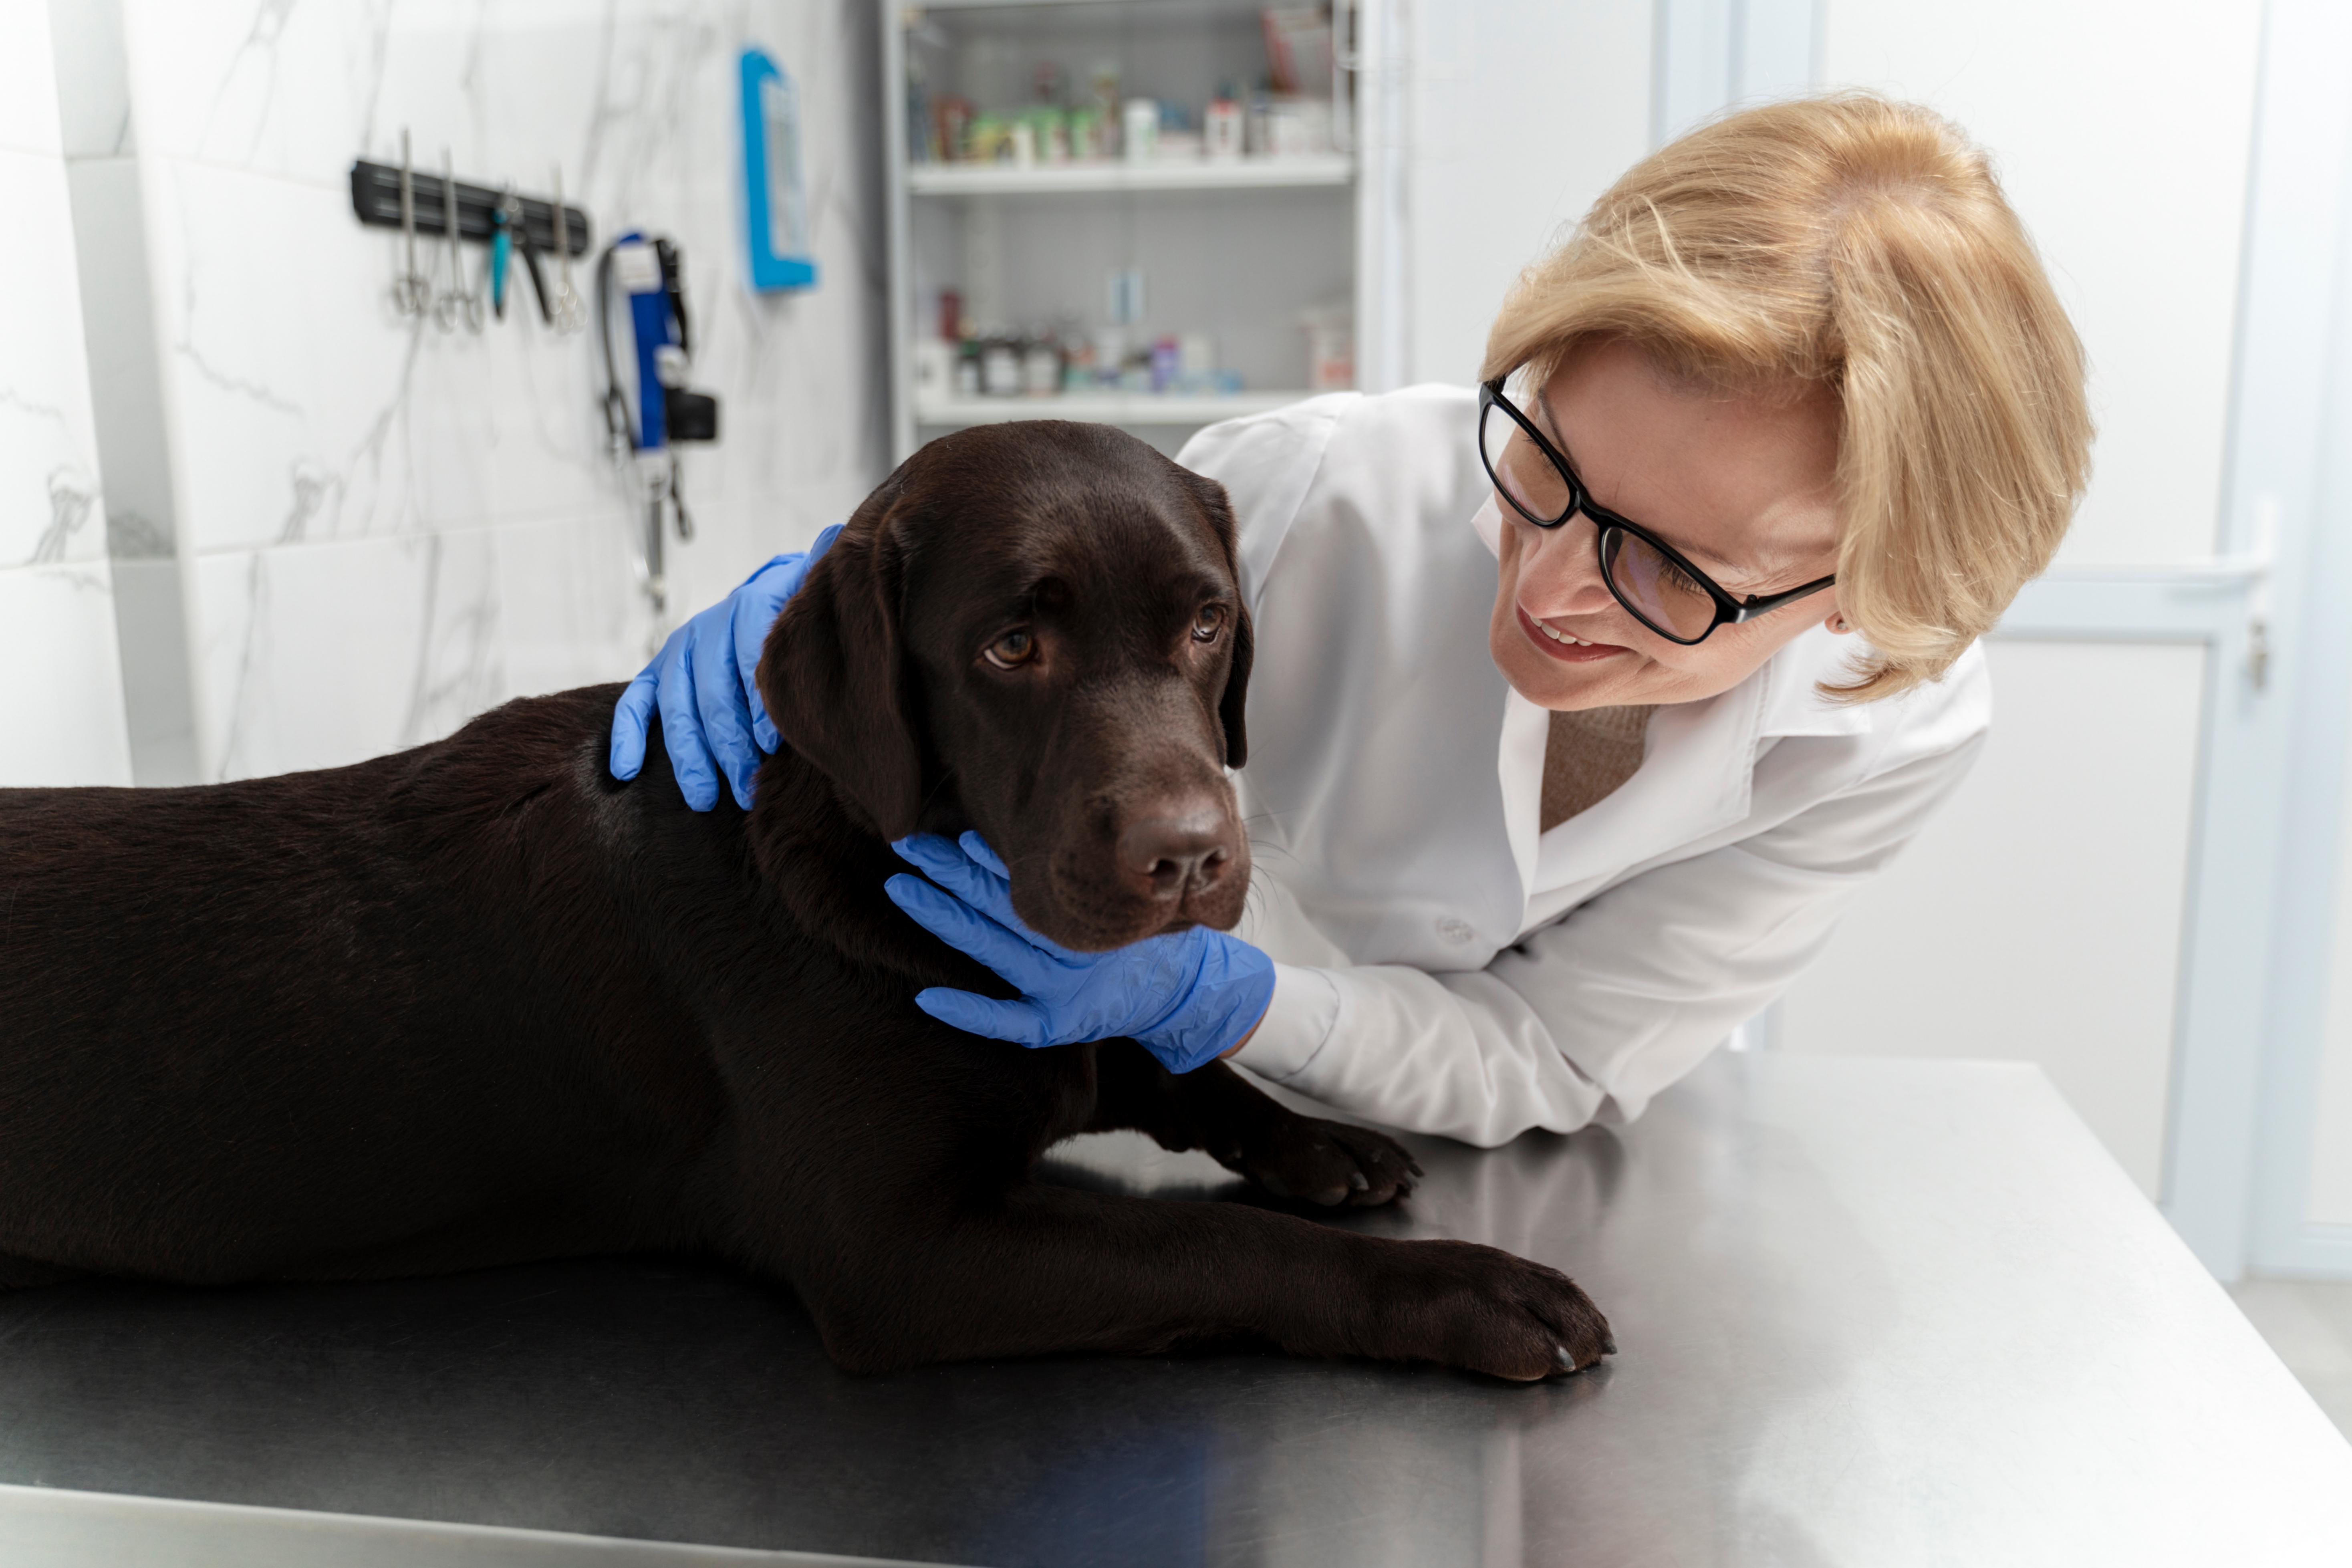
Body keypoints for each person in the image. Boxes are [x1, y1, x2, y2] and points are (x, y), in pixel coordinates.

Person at [608, 94, 2092, 1145]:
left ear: (1860, 596)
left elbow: (1556, 1051)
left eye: (1675, 570)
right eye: (1549, 463)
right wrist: (835, 612)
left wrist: (1223, 996)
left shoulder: (1891, 725)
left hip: (1515, 1181)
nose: (1549, 587)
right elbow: (1019, 594)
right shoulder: (1309, 493)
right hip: (1144, 1131)